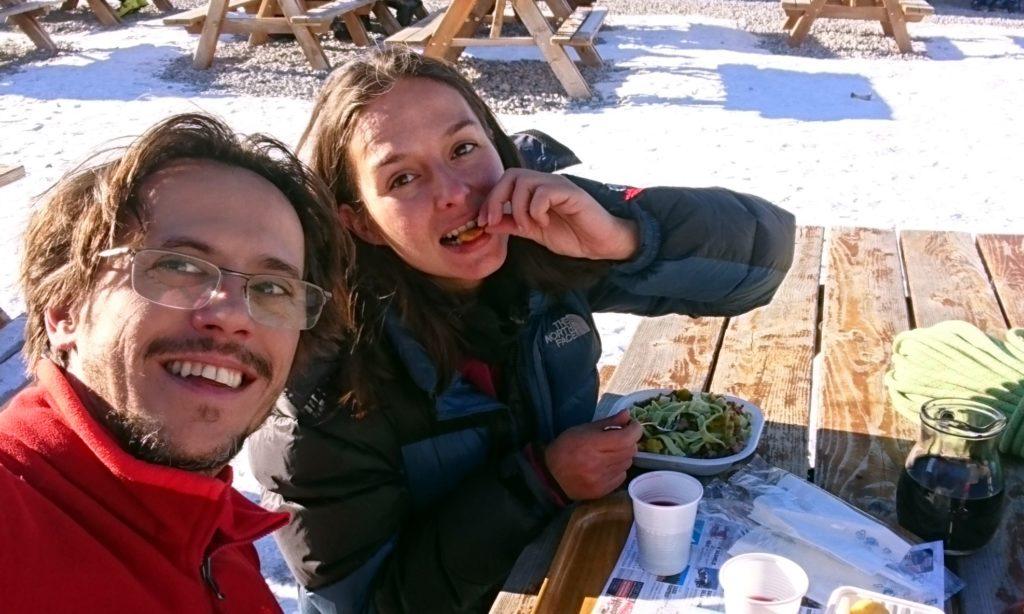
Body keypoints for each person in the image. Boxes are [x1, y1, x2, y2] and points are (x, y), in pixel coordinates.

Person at [249, 46, 796, 614]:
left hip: (585, 555)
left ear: (497, 146)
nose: (455, 193)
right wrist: (538, 481)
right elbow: (367, 605)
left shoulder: (537, 227)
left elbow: (765, 264)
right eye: (403, 177)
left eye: (463, 148)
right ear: (359, 220)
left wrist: (625, 238)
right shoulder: (323, 388)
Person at [0, 113, 350, 612]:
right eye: (179, 265)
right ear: (65, 309)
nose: (231, 315)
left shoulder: (216, 537)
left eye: (272, 288)